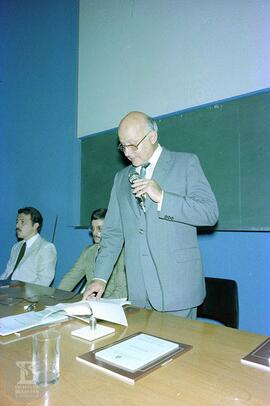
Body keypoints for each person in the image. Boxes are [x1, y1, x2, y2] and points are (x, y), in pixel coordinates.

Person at [83, 111, 219, 319]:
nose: (127, 152)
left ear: (152, 137)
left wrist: (163, 197)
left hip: (178, 292)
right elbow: (112, 234)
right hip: (138, 293)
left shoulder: (185, 163)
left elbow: (209, 213)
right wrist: (100, 278)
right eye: (122, 145)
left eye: (133, 145)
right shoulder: (120, 179)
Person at [59, 208, 127, 298]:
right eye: (93, 228)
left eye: (100, 228)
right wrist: (56, 296)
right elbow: (71, 278)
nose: (95, 233)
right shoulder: (88, 251)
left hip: (110, 305)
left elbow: (122, 292)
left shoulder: (122, 254)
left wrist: (97, 304)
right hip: (89, 301)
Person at [1, 207, 57, 286]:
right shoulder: (16, 247)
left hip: (24, 296)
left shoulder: (46, 248)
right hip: (6, 291)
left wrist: (20, 293)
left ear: (35, 226)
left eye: (22, 222)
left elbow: (44, 282)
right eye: (17, 222)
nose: (17, 225)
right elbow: (7, 273)